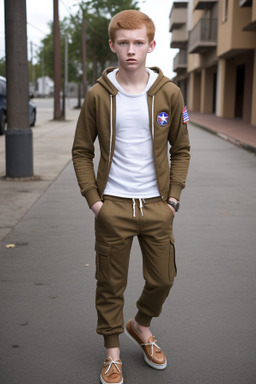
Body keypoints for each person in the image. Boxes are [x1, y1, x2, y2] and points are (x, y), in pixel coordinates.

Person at [72, 9, 190, 384]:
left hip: (157, 206)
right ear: (113, 46)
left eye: (138, 42)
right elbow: (81, 151)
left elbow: (181, 149)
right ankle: (111, 353)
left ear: (151, 45)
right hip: (114, 206)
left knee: (163, 279)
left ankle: (140, 325)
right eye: (123, 43)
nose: (131, 50)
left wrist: (172, 200)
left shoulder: (169, 92)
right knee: (110, 283)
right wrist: (95, 202)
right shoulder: (98, 95)